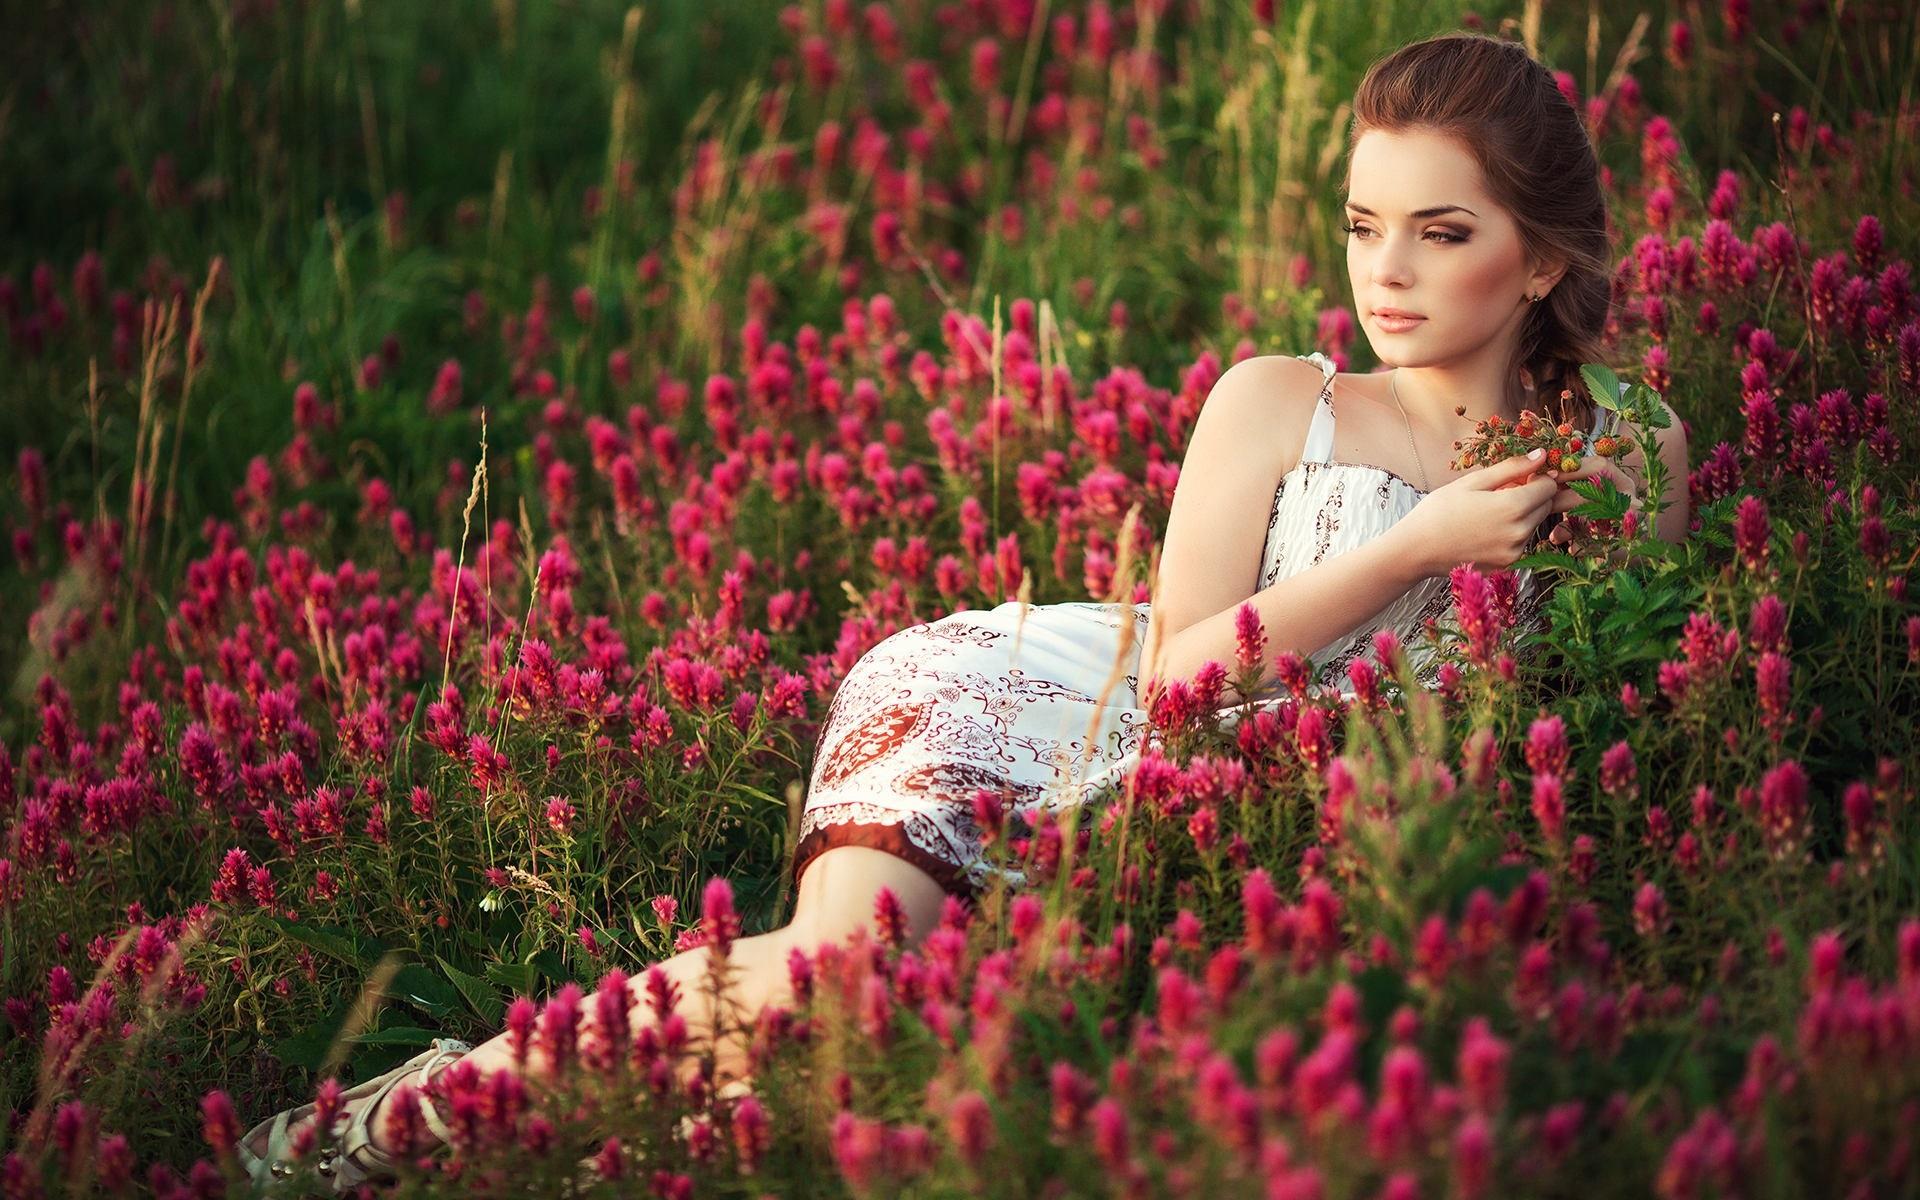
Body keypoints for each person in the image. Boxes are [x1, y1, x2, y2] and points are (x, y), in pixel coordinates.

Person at [241, 28, 1688, 1189]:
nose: (1387, 271)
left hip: (1278, 831)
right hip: (1050, 714)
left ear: (1542, 259)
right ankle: (392, 1121)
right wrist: (1413, 548)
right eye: (1367, 224)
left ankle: (605, 1140)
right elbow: (1177, 686)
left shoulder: (1628, 449)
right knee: (838, 982)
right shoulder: (1280, 402)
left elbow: (1640, 703)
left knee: (900, 1074)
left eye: (1443, 232)